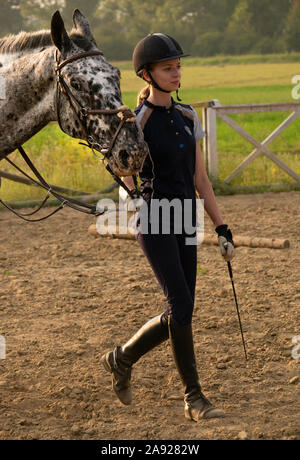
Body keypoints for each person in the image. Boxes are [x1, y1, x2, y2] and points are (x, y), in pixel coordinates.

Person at [102, 33, 235, 422]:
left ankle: (122, 357)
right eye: (168, 67)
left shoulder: (188, 116)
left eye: (178, 66)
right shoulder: (136, 119)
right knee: (180, 304)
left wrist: (222, 227)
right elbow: (116, 165)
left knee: (182, 310)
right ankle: (194, 398)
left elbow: (202, 181)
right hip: (155, 218)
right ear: (147, 74)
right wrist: (131, 194)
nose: (176, 73)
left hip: (185, 218)